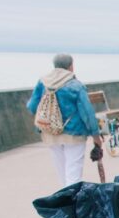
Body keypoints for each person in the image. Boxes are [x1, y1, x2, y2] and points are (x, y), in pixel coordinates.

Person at [26, 53, 102, 187]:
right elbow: (87, 113)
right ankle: (72, 203)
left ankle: (63, 201)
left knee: (62, 173)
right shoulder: (75, 85)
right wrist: (96, 136)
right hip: (74, 133)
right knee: (73, 173)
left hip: (50, 133)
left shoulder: (43, 82)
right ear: (70, 66)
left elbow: (32, 106)